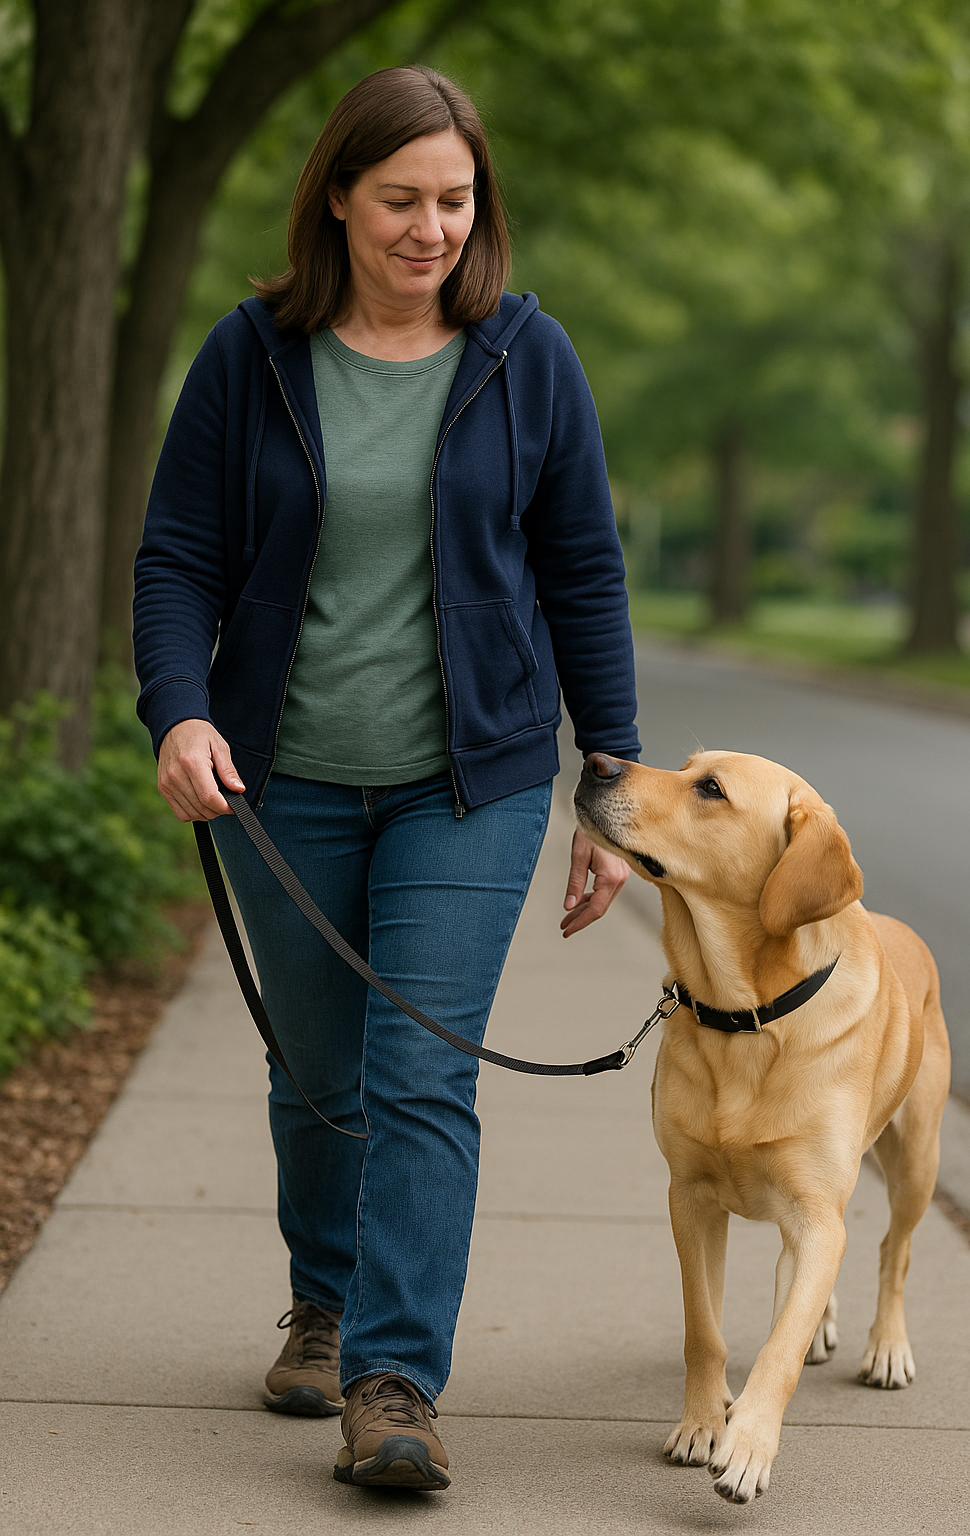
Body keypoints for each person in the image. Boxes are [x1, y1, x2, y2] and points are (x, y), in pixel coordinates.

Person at [133, 65, 640, 1493]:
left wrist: (611, 776)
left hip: (465, 785)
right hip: (279, 781)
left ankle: (395, 1380)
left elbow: (583, 574)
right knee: (319, 1077)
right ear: (339, 200)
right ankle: (326, 1295)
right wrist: (179, 711)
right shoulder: (252, 358)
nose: (431, 229)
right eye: (402, 199)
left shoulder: (525, 359)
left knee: (421, 1076)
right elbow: (176, 556)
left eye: (456, 201)